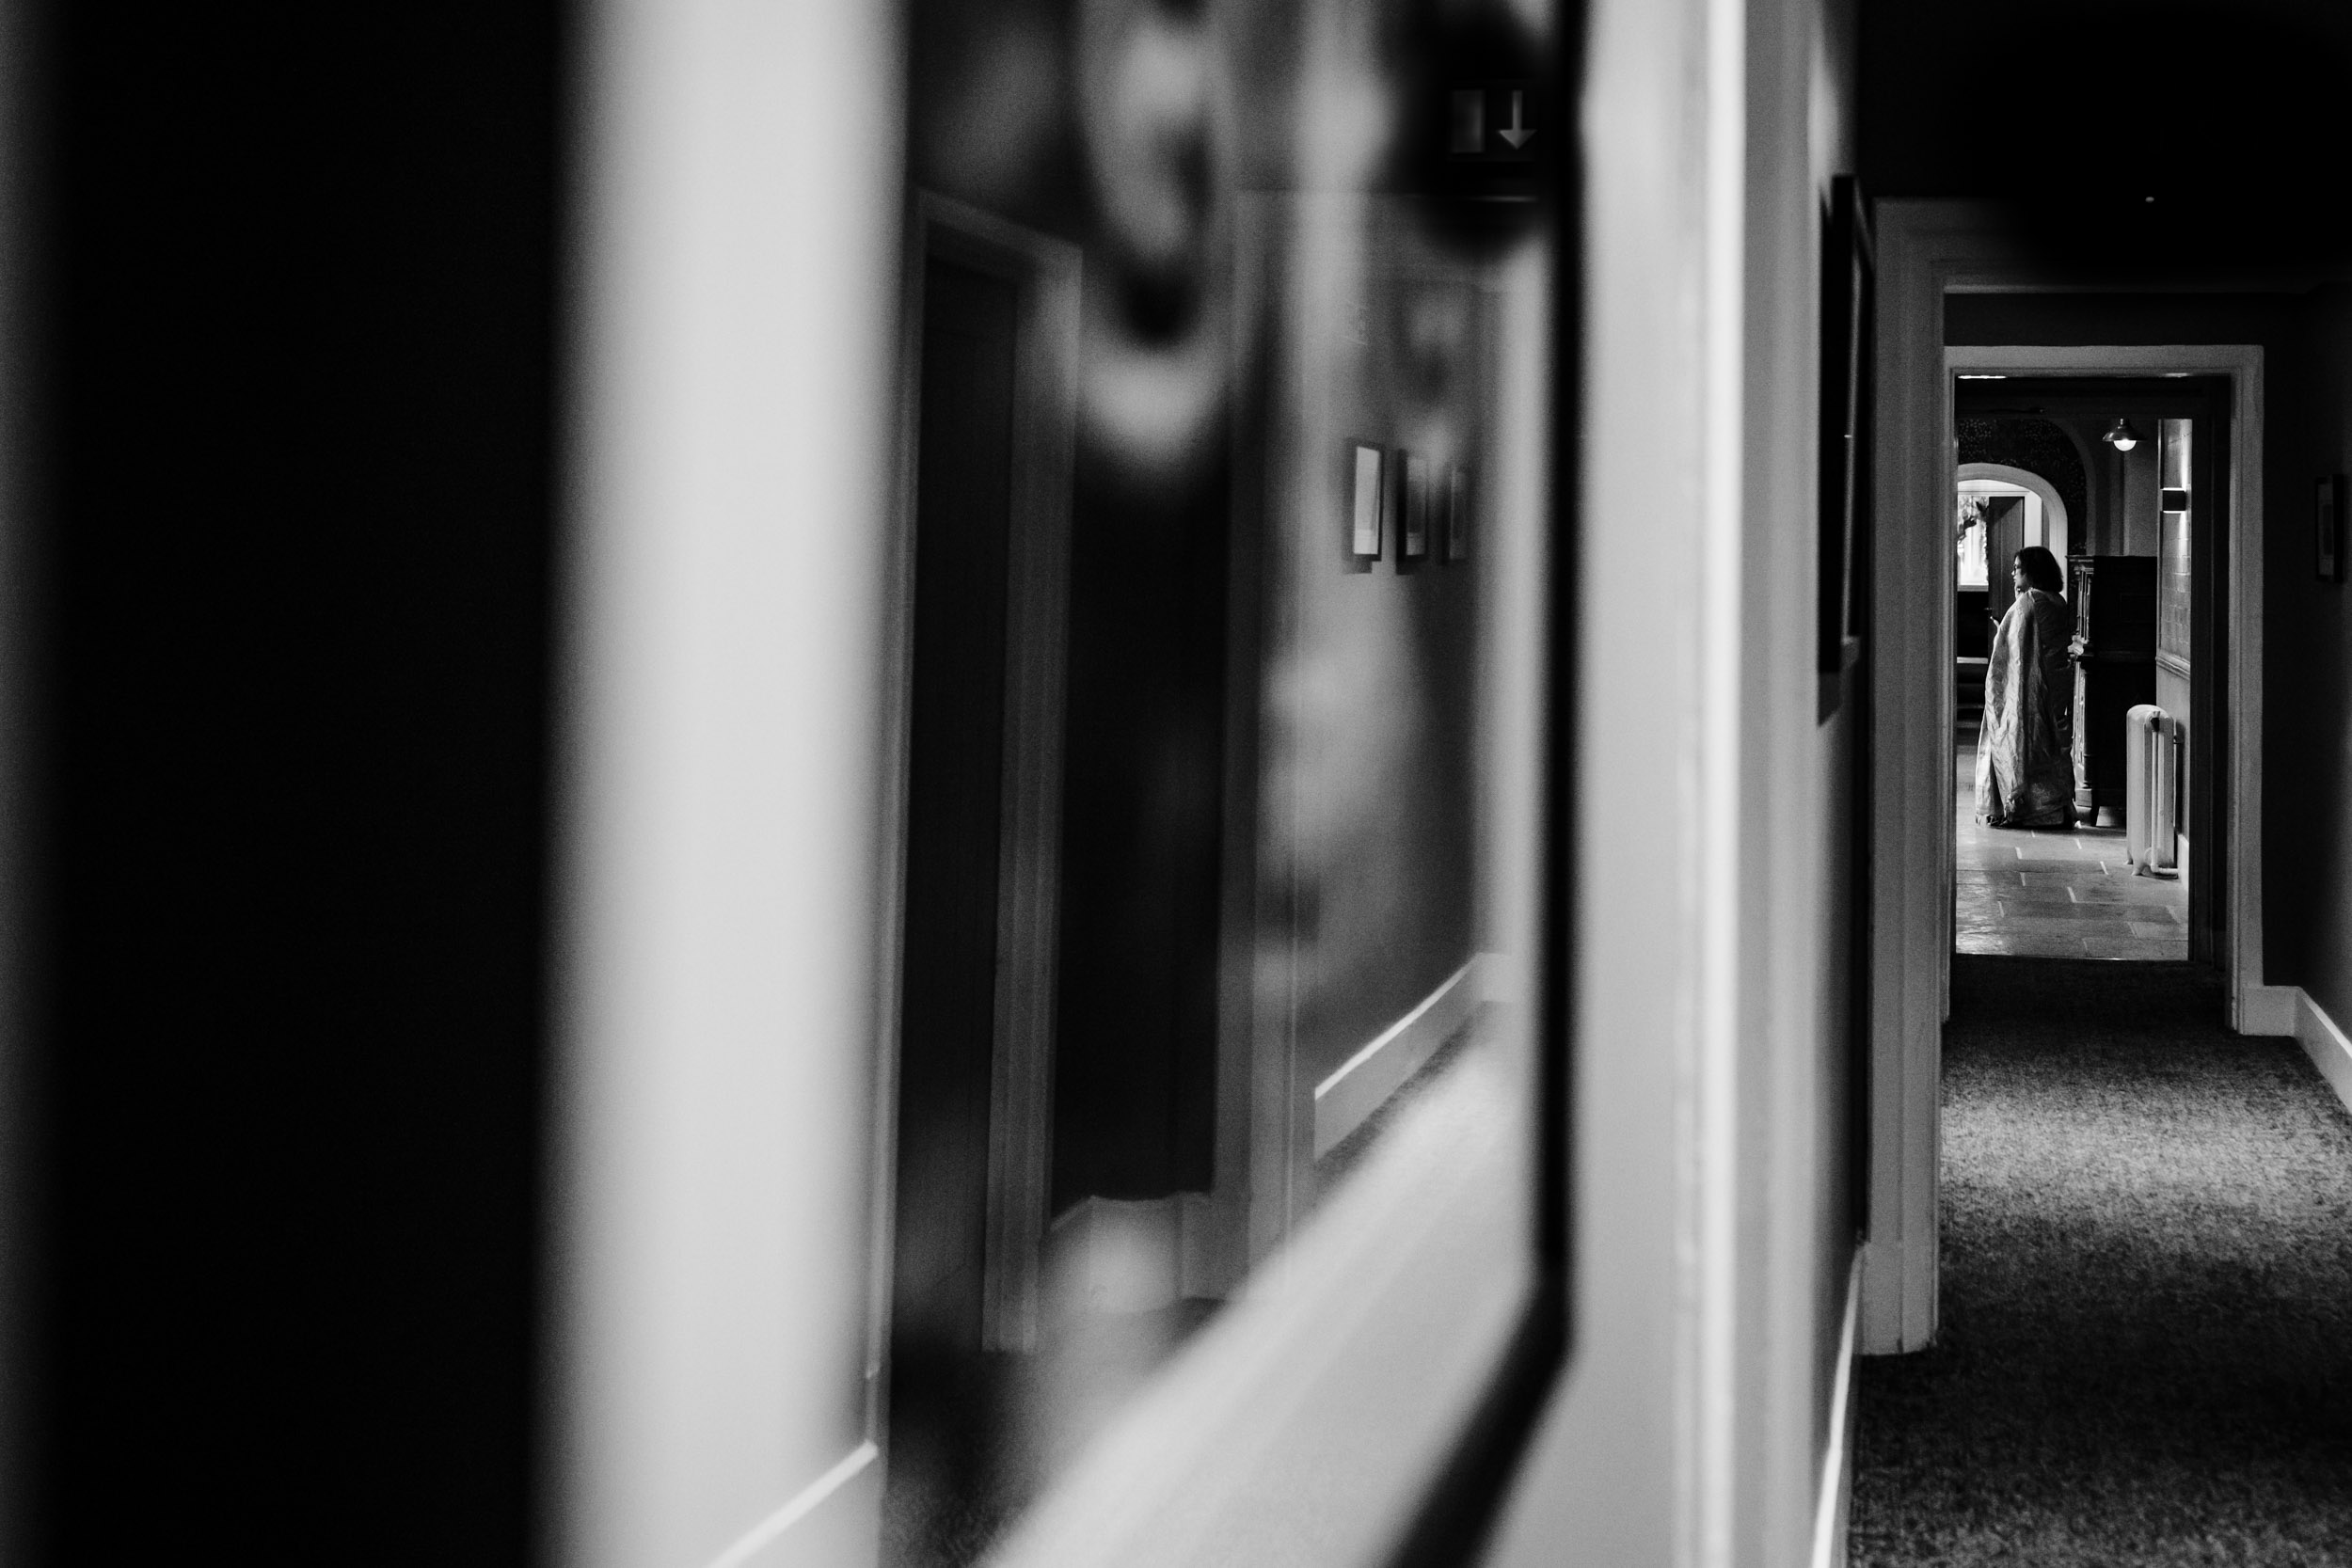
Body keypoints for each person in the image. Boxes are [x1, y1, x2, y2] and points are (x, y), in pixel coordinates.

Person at [1977, 545, 2074, 828]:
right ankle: (2055, 808)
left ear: (2032, 572)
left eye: (2017, 568)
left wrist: (2001, 632)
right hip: (2056, 685)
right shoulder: (2058, 601)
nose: (2013, 574)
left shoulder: (2030, 602)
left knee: (2024, 740)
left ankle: (2027, 808)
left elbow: (2011, 648)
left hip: (2032, 686)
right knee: (2051, 745)